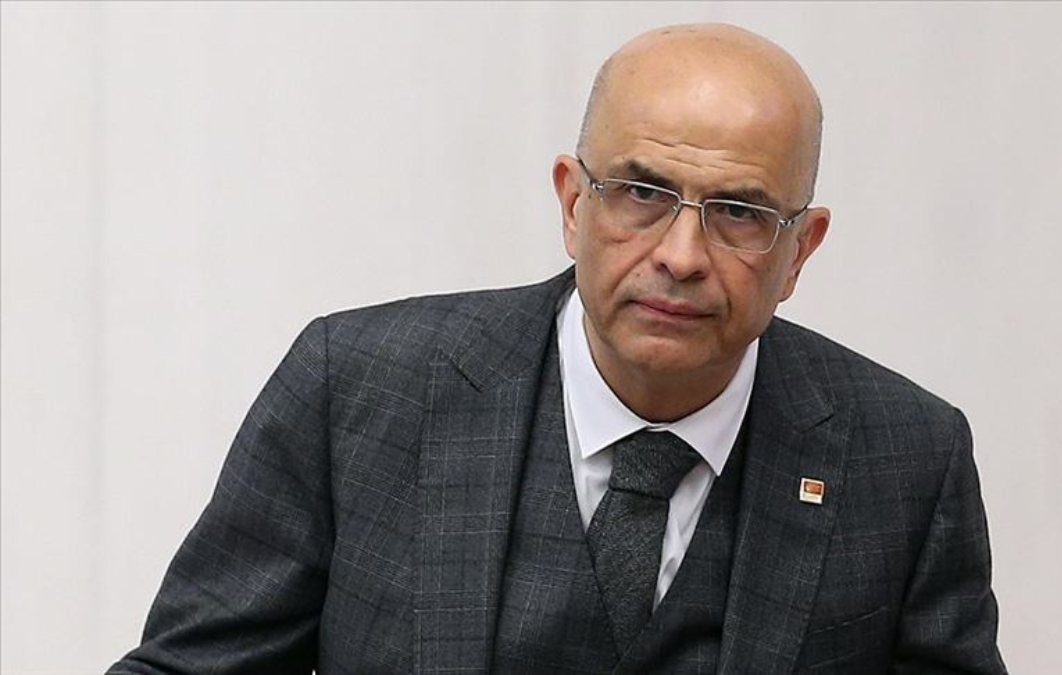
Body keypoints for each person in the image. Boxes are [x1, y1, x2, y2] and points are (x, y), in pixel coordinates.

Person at [110, 23, 1005, 674]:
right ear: (574, 204)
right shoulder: (360, 389)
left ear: (798, 251)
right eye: (642, 194)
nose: (681, 256)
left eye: (738, 212)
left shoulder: (906, 458)